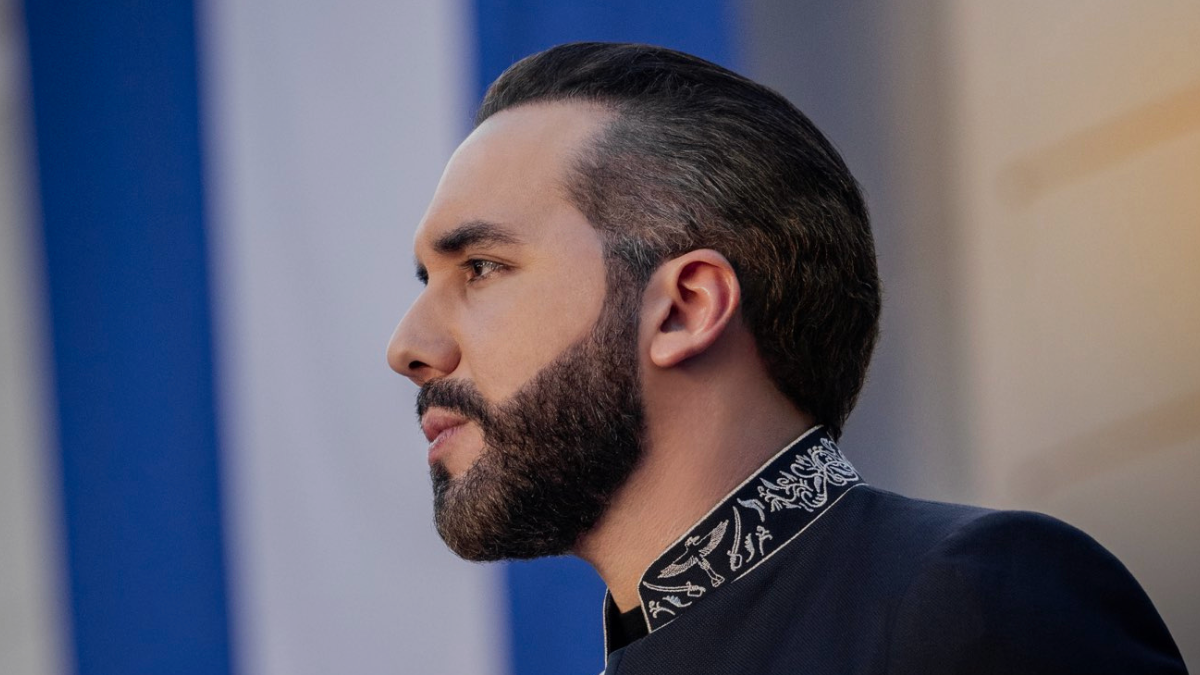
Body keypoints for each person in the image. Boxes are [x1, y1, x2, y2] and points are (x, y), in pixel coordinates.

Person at [387, 42, 1186, 674]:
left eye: (480, 268)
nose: (406, 349)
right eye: (428, 280)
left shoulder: (975, 601)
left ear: (687, 306)